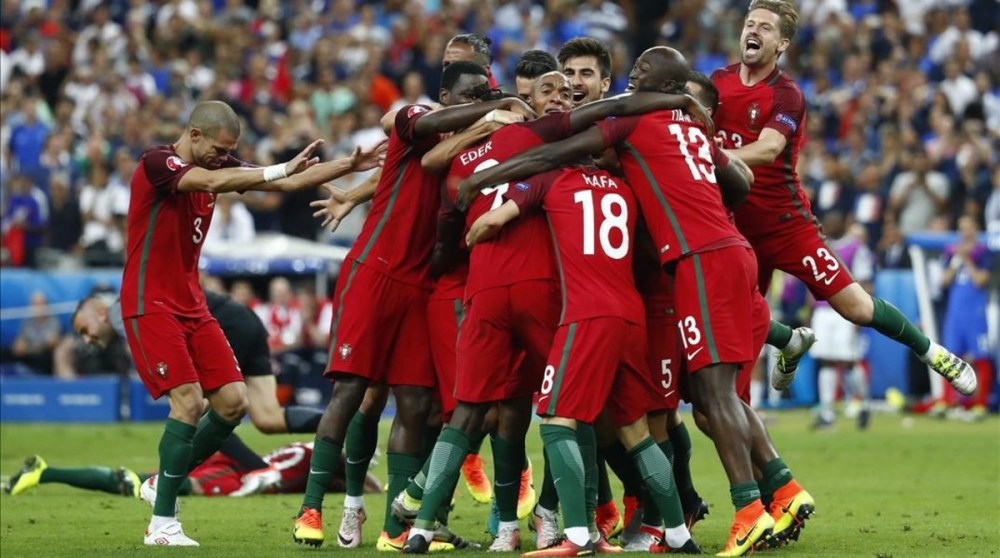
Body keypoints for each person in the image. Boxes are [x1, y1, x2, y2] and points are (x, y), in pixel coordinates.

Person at [456, 46, 809, 557]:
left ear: (662, 89)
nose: (631, 80)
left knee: (698, 401)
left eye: (640, 75)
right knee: (667, 414)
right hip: (703, 262)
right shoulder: (688, 131)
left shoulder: (627, 127)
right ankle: (702, 517)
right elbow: (741, 180)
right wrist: (697, 200)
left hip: (676, 271)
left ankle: (741, 510)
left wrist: (484, 178)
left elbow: (549, 153)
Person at [402, 71, 707, 554]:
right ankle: (674, 530)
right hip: (618, 308)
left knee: (525, 416)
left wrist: (471, 221)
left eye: (567, 93)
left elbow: (473, 210)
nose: (562, 100)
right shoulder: (620, 186)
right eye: (552, 92)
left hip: (536, 301)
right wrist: (679, 104)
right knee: (628, 424)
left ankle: (440, 526)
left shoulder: (538, 171)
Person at [292, 61, 536, 551]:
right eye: (467, 95)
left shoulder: (471, 151)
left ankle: (394, 527)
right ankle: (311, 509)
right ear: (445, 96)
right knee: (352, 390)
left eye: (483, 93)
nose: (475, 101)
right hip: (374, 270)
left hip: (422, 286)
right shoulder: (414, 117)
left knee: (416, 403)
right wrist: (495, 110)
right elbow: (416, 135)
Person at [120, 99, 385, 546]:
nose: (224, 157)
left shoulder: (217, 165)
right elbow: (215, 177)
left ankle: (162, 479)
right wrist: (275, 170)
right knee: (188, 404)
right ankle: (163, 523)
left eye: (231, 151)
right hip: (151, 303)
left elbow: (286, 182)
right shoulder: (157, 162)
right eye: (219, 148)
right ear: (195, 135)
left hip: (193, 304)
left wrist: (349, 165)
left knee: (232, 402)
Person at [709, 0, 976, 397]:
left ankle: (933, 352)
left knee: (857, 308)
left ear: (782, 43)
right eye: (750, 24)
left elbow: (766, 150)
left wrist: (712, 155)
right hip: (735, 228)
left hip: (785, 226)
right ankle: (785, 345)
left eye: (765, 27)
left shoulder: (787, 95)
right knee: (730, 318)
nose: (753, 31)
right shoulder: (717, 83)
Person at [464, 154, 702, 555]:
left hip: (587, 316)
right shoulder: (625, 189)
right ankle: (677, 532)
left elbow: (491, 220)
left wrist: (471, 237)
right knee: (636, 432)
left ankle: (577, 535)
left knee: (557, 424)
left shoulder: (552, 178)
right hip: (631, 314)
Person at [4, 443, 382, 499]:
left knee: (142, 478)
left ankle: (45, 471)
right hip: (238, 475)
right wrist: (373, 485)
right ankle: (46, 472)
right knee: (144, 485)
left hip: (232, 462)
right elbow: (354, 481)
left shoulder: (315, 447)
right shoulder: (322, 461)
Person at [808, 214, 875, 430]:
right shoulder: (817, 244)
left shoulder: (856, 248)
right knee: (826, 360)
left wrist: (863, 311)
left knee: (849, 360)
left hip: (846, 309)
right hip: (822, 310)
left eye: (836, 222)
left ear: (844, 224)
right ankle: (827, 414)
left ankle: (864, 403)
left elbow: (865, 280)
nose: (831, 225)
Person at [937, 215, 994, 420]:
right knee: (948, 358)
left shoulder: (984, 252)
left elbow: (981, 280)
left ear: (976, 230)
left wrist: (968, 259)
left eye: (969, 228)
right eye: (961, 229)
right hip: (955, 314)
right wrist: (957, 260)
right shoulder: (952, 253)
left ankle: (981, 404)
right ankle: (947, 400)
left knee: (981, 357)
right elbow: (943, 281)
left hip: (975, 313)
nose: (965, 233)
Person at [9, 291, 61, 374]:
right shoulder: (27, 322)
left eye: (41, 304)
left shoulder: (53, 322)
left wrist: (36, 347)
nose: (38, 308)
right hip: (28, 355)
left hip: (44, 356)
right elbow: (19, 343)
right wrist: (19, 344)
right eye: (35, 304)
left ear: (46, 306)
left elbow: (52, 342)